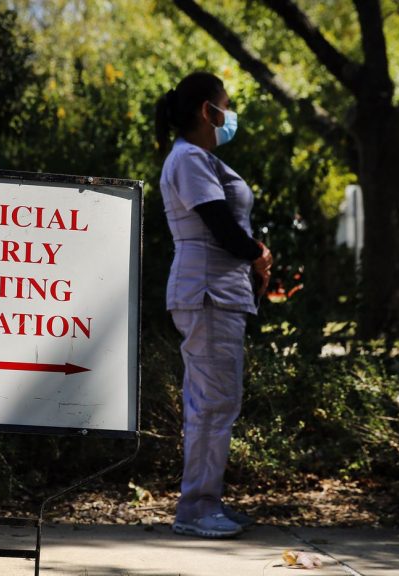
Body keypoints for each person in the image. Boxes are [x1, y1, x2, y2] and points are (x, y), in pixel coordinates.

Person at [155, 72, 273, 539]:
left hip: (218, 293)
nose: (231, 115)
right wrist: (257, 253)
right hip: (206, 293)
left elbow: (228, 229)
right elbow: (221, 229)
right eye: (228, 105)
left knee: (216, 401)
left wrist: (253, 253)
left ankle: (207, 501)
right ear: (209, 110)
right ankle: (197, 509)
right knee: (211, 404)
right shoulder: (188, 159)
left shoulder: (197, 158)